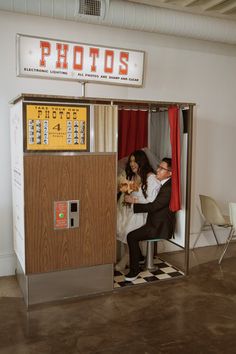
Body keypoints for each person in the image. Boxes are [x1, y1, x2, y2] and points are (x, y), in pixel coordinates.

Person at [124, 157, 175, 281]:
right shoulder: (161, 182)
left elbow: (153, 205)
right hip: (152, 220)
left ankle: (134, 270)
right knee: (129, 232)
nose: (157, 170)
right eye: (159, 167)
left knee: (131, 236)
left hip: (159, 226)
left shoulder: (166, 187)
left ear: (170, 173)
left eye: (162, 169)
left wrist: (133, 203)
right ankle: (139, 258)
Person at [116, 150, 161, 271]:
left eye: (135, 161)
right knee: (122, 230)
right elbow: (125, 191)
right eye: (131, 161)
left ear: (142, 161)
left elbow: (150, 200)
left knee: (127, 233)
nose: (132, 164)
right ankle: (131, 257)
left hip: (142, 212)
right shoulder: (132, 175)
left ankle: (127, 259)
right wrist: (125, 190)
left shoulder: (150, 177)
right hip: (130, 209)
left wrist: (133, 199)